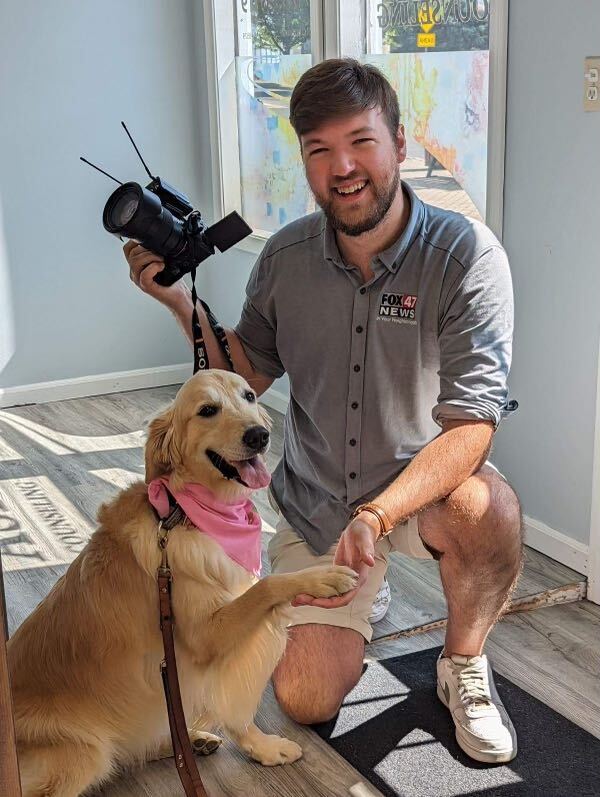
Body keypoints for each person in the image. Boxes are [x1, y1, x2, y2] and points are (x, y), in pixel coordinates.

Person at [124, 58, 522, 764]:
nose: (343, 166)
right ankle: (365, 599)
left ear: (400, 144)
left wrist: (378, 515)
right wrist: (178, 300)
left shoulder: (465, 258)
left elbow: (471, 427)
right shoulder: (284, 258)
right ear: (305, 161)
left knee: (487, 507)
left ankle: (462, 661)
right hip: (319, 505)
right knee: (305, 700)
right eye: (319, 150)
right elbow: (245, 370)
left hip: (416, 495)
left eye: (361, 142)